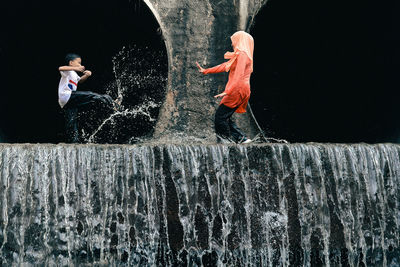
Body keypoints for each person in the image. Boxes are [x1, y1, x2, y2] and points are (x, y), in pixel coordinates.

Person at [196, 31, 254, 144]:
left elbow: (239, 74)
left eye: (234, 41)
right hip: (242, 89)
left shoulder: (242, 55)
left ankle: (225, 141)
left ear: (240, 41)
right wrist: (206, 71)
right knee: (225, 116)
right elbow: (225, 66)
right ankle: (242, 138)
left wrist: (228, 90)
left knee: (220, 117)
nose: (232, 44)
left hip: (237, 89)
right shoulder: (242, 55)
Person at [58, 53, 117, 143]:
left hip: (67, 101)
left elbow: (80, 81)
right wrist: (76, 68)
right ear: (71, 63)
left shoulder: (74, 74)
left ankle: (74, 141)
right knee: (91, 95)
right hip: (67, 95)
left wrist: (87, 75)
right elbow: (60, 68)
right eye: (79, 63)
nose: (81, 65)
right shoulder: (68, 71)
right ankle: (113, 103)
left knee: (72, 121)